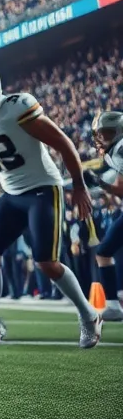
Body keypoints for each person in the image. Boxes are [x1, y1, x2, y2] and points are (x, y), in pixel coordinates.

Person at [0, 61, 101, 347]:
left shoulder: (17, 108)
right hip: (11, 194)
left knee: (46, 263)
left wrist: (79, 186)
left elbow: (63, 143)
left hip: (43, 188)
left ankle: (89, 314)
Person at [81, 110, 123, 321]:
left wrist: (98, 183)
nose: (100, 138)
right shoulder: (115, 151)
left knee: (104, 251)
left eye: (105, 133)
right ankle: (114, 305)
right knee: (104, 251)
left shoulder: (120, 150)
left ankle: (115, 304)